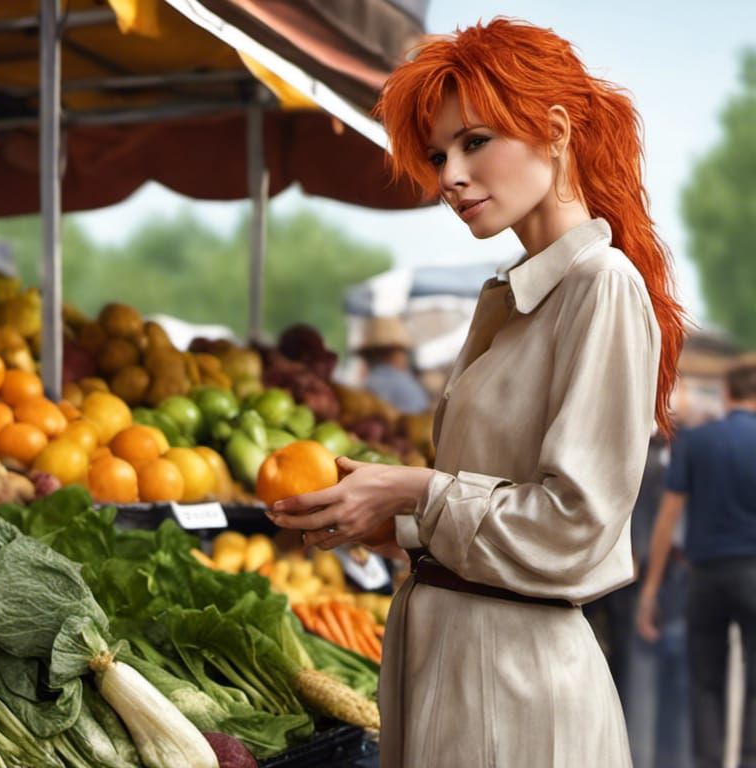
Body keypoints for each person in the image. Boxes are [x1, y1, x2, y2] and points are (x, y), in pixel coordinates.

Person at [265, 18, 685, 767]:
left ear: (554, 132)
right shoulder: (515, 299)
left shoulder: (602, 287)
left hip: (516, 687)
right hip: (462, 670)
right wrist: (392, 522)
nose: (449, 175)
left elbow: (572, 525)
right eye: (437, 155)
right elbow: (497, 500)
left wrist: (417, 492)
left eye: (474, 142)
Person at [637, 360, 756, 768]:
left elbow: (668, 518)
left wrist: (651, 589)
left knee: (706, 680)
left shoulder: (698, 441)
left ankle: (707, 761)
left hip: (704, 576)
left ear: (726, 395)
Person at [358, 316, 431, 413]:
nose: (405, 358)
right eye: (403, 353)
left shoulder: (371, 382)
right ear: (393, 354)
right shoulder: (403, 381)